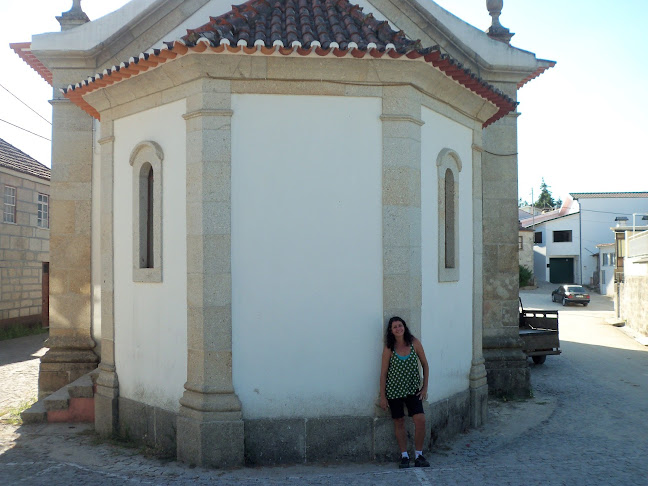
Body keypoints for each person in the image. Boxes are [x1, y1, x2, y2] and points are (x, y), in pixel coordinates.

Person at [379, 316, 430, 468]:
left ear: (404, 327)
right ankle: (404, 456)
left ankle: (419, 455)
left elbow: (425, 365)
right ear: (391, 330)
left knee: (420, 420)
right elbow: (383, 373)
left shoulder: (414, 343)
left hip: (412, 389)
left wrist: (425, 387)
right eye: (395, 327)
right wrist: (383, 396)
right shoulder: (389, 348)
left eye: (400, 325)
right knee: (399, 421)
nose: (398, 328)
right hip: (394, 391)